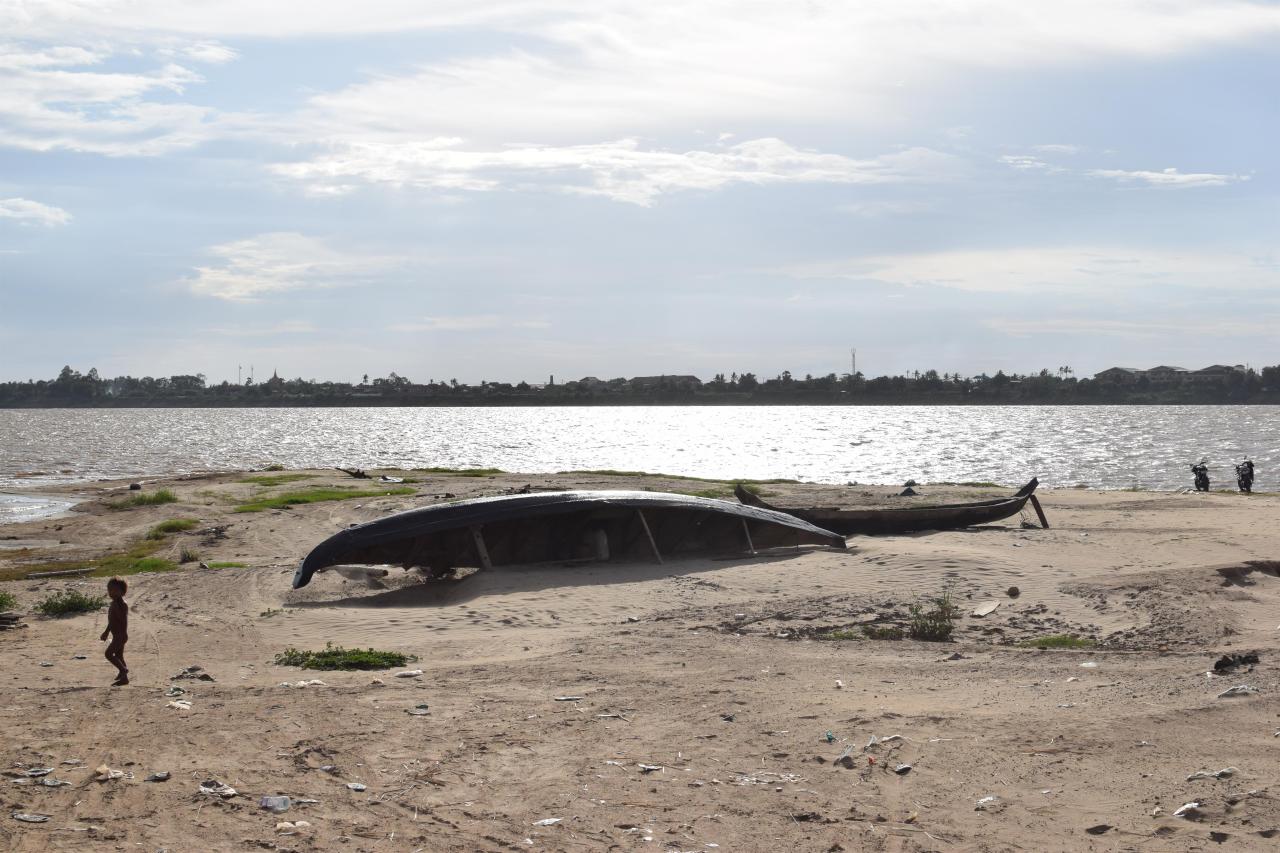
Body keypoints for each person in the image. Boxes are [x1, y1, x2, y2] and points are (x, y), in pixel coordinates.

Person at [100, 577, 129, 686]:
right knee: (119, 657)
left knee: (108, 654)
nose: (112, 593)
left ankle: (123, 670)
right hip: (117, 635)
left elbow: (122, 620)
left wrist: (117, 633)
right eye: (110, 590)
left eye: (115, 590)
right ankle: (124, 679)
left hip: (120, 636)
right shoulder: (114, 603)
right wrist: (107, 631)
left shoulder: (121, 604)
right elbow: (112, 621)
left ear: (122, 591)